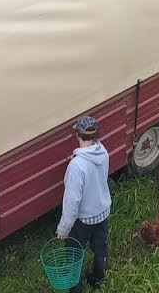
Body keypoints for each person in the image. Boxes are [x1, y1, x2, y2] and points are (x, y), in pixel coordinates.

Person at [57, 115, 111, 292]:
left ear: (77, 135)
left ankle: (76, 289)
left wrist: (64, 230)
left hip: (84, 219)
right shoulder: (102, 152)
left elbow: (72, 204)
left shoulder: (77, 166)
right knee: (100, 246)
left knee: (74, 254)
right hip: (102, 211)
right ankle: (98, 277)